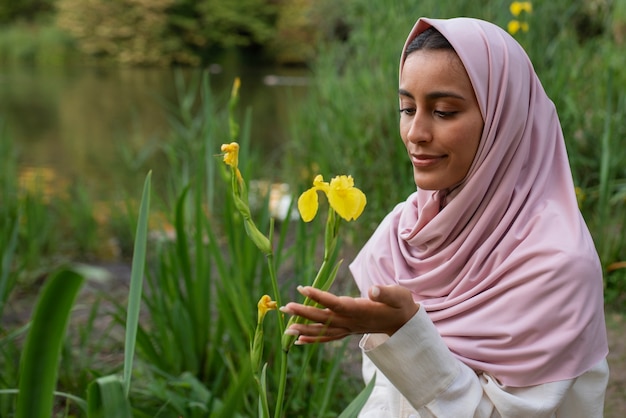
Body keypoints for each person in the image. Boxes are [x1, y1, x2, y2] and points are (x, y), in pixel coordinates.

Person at [279, 17, 610, 417]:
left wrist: (407, 335)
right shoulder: (403, 236)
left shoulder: (557, 265)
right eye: (406, 108)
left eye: (444, 111)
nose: (415, 132)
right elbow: (385, 399)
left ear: (504, 120)